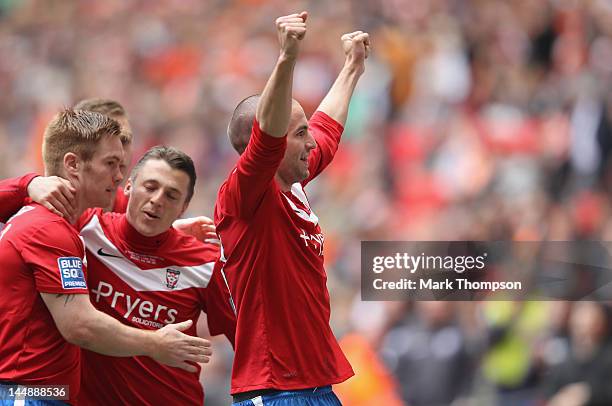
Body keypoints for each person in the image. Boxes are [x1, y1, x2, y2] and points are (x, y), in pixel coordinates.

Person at [0, 109, 211, 405]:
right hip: (26, 394)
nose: (119, 175)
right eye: (111, 163)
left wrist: (166, 229)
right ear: (73, 164)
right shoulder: (48, 228)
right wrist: (155, 343)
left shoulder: (62, 224)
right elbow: (80, 325)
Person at [215, 11, 370, 405]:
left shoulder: (292, 184)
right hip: (275, 390)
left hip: (316, 389)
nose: (311, 143)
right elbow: (268, 138)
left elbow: (328, 130)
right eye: (300, 134)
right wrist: (286, 57)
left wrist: (352, 67)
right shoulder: (245, 196)